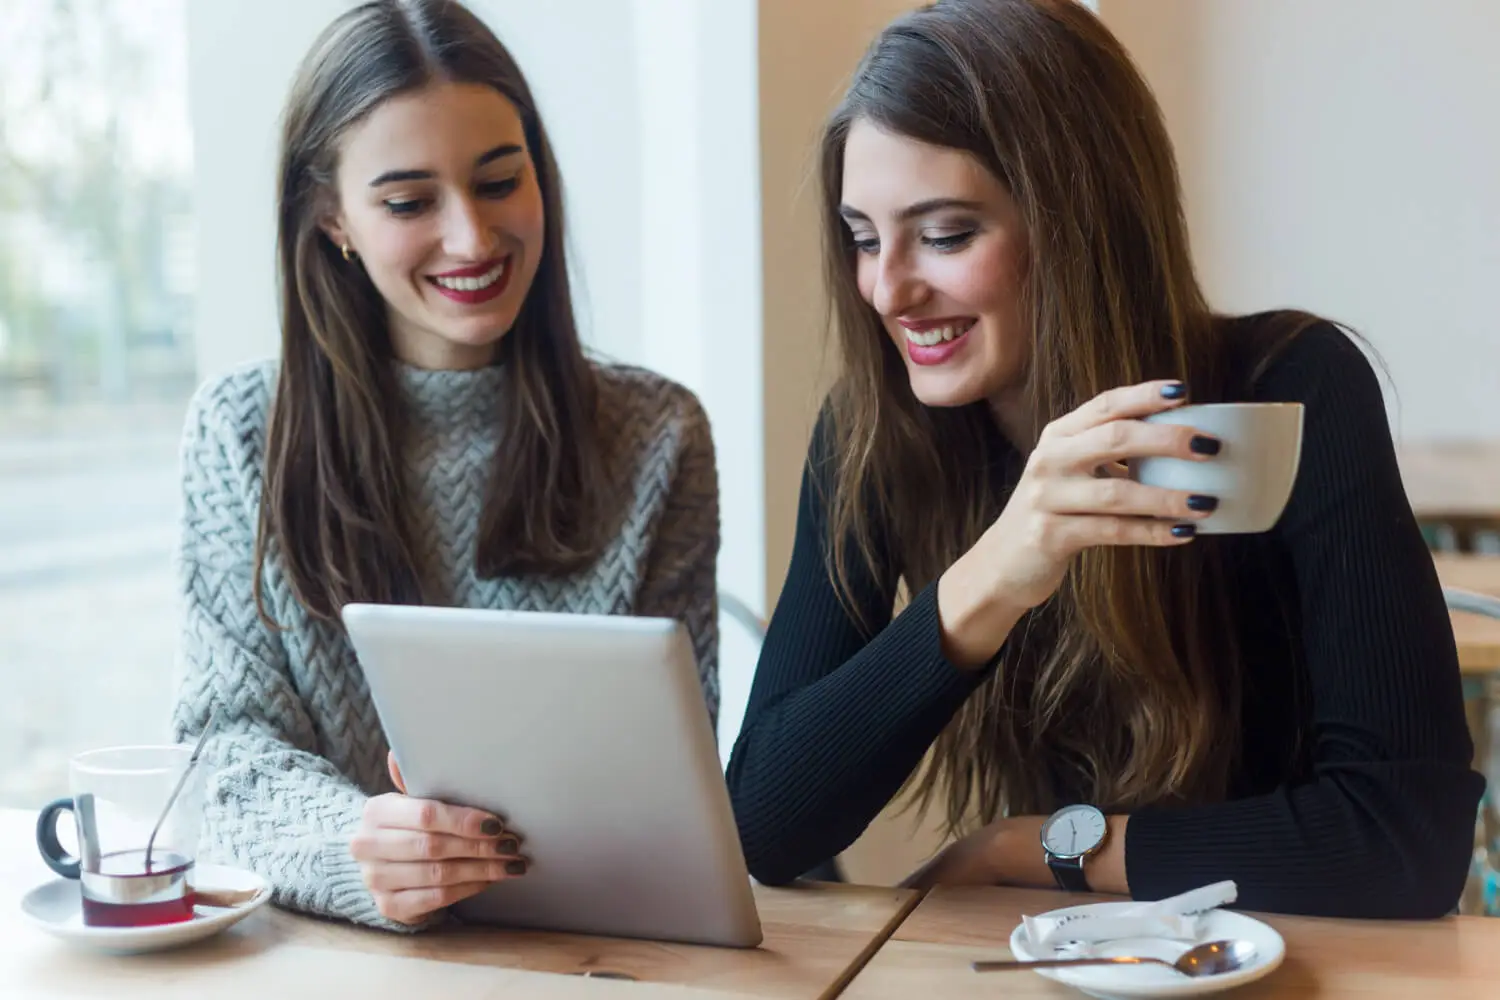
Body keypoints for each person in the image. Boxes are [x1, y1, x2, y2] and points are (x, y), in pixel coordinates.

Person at [725, 0, 1482, 919]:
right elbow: (764, 825)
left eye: (947, 234)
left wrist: (1035, 846)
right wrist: (995, 574)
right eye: (863, 237)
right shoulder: (874, 436)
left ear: (1080, 218)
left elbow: (1403, 840)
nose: (890, 289)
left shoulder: (1291, 389)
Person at [169, 0, 719, 930]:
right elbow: (224, 758)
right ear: (332, 218)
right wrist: (358, 846)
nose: (471, 238)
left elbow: (675, 775)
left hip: (599, 951)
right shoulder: (238, 433)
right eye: (409, 202)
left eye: (501, 181)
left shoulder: (656, 433)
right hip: (331, 959)